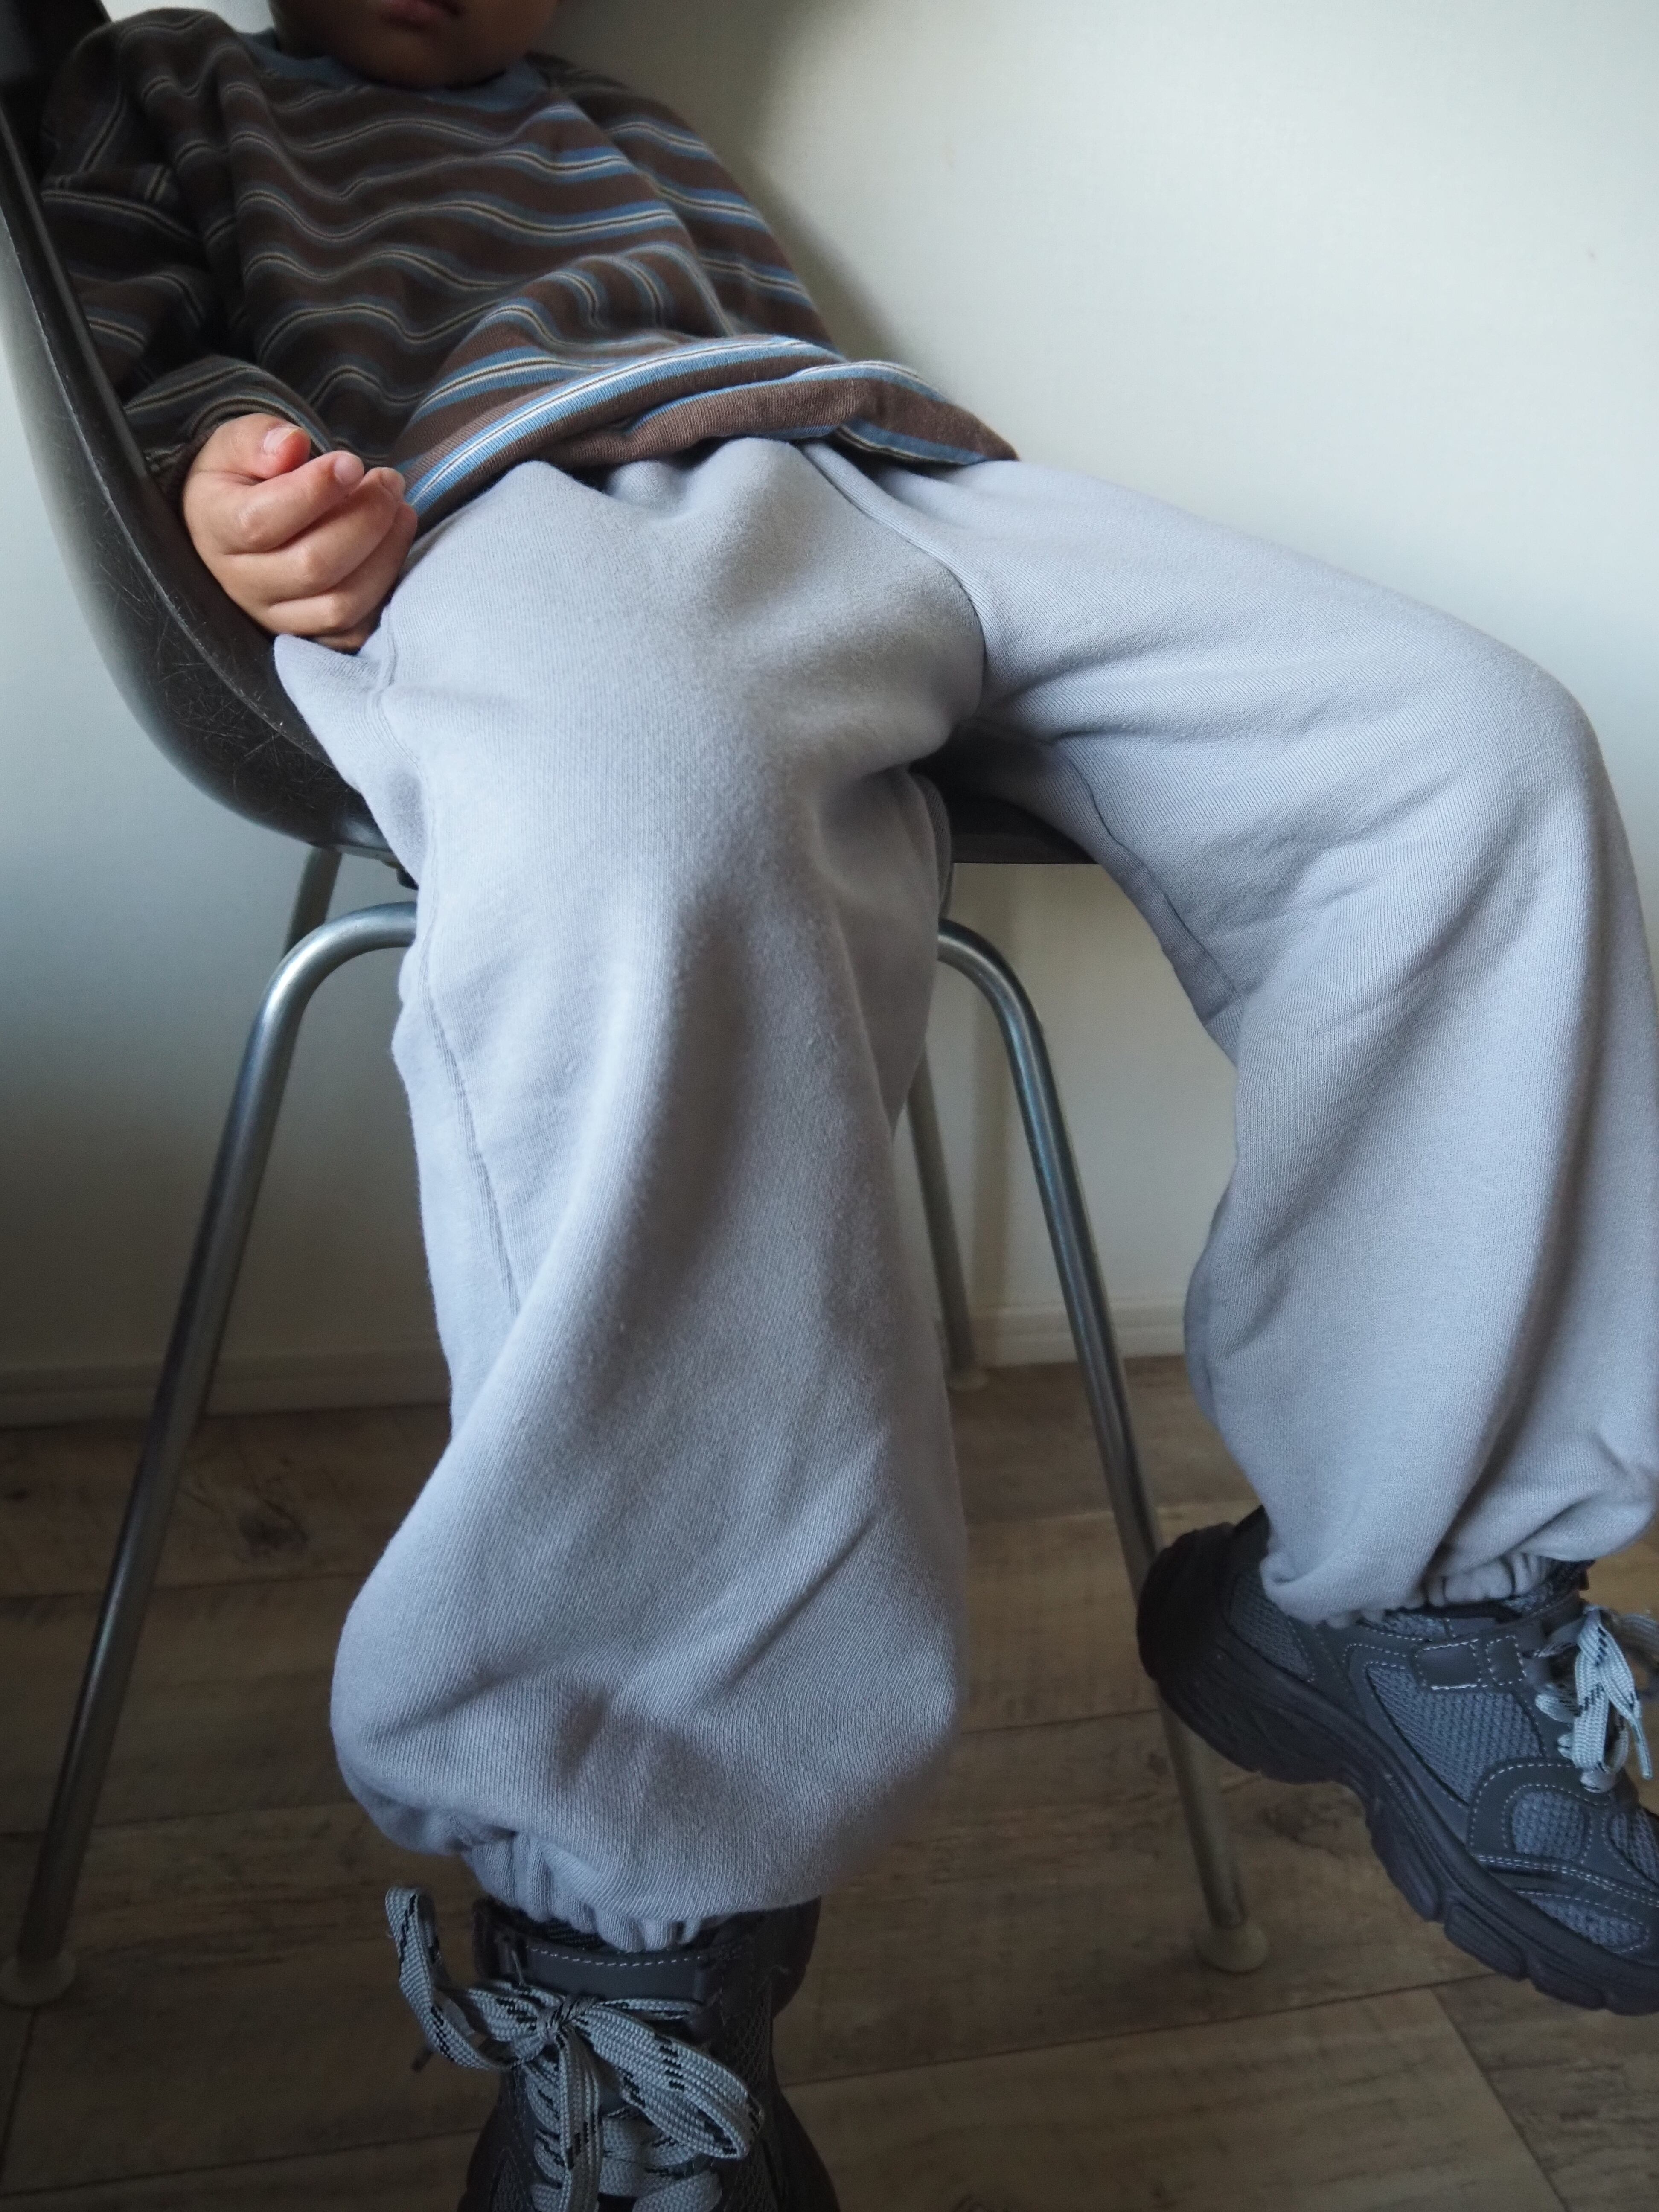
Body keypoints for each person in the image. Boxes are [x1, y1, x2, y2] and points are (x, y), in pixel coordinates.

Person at [40, 0, 1659, 2202]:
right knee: (657, 816)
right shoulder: (165, 79)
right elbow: (131, 348)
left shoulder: (616, 122)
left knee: (1465, 753)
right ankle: (634, 1942)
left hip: (899, 486)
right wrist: (225, 468)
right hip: (485, 499)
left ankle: (1410, 1587)